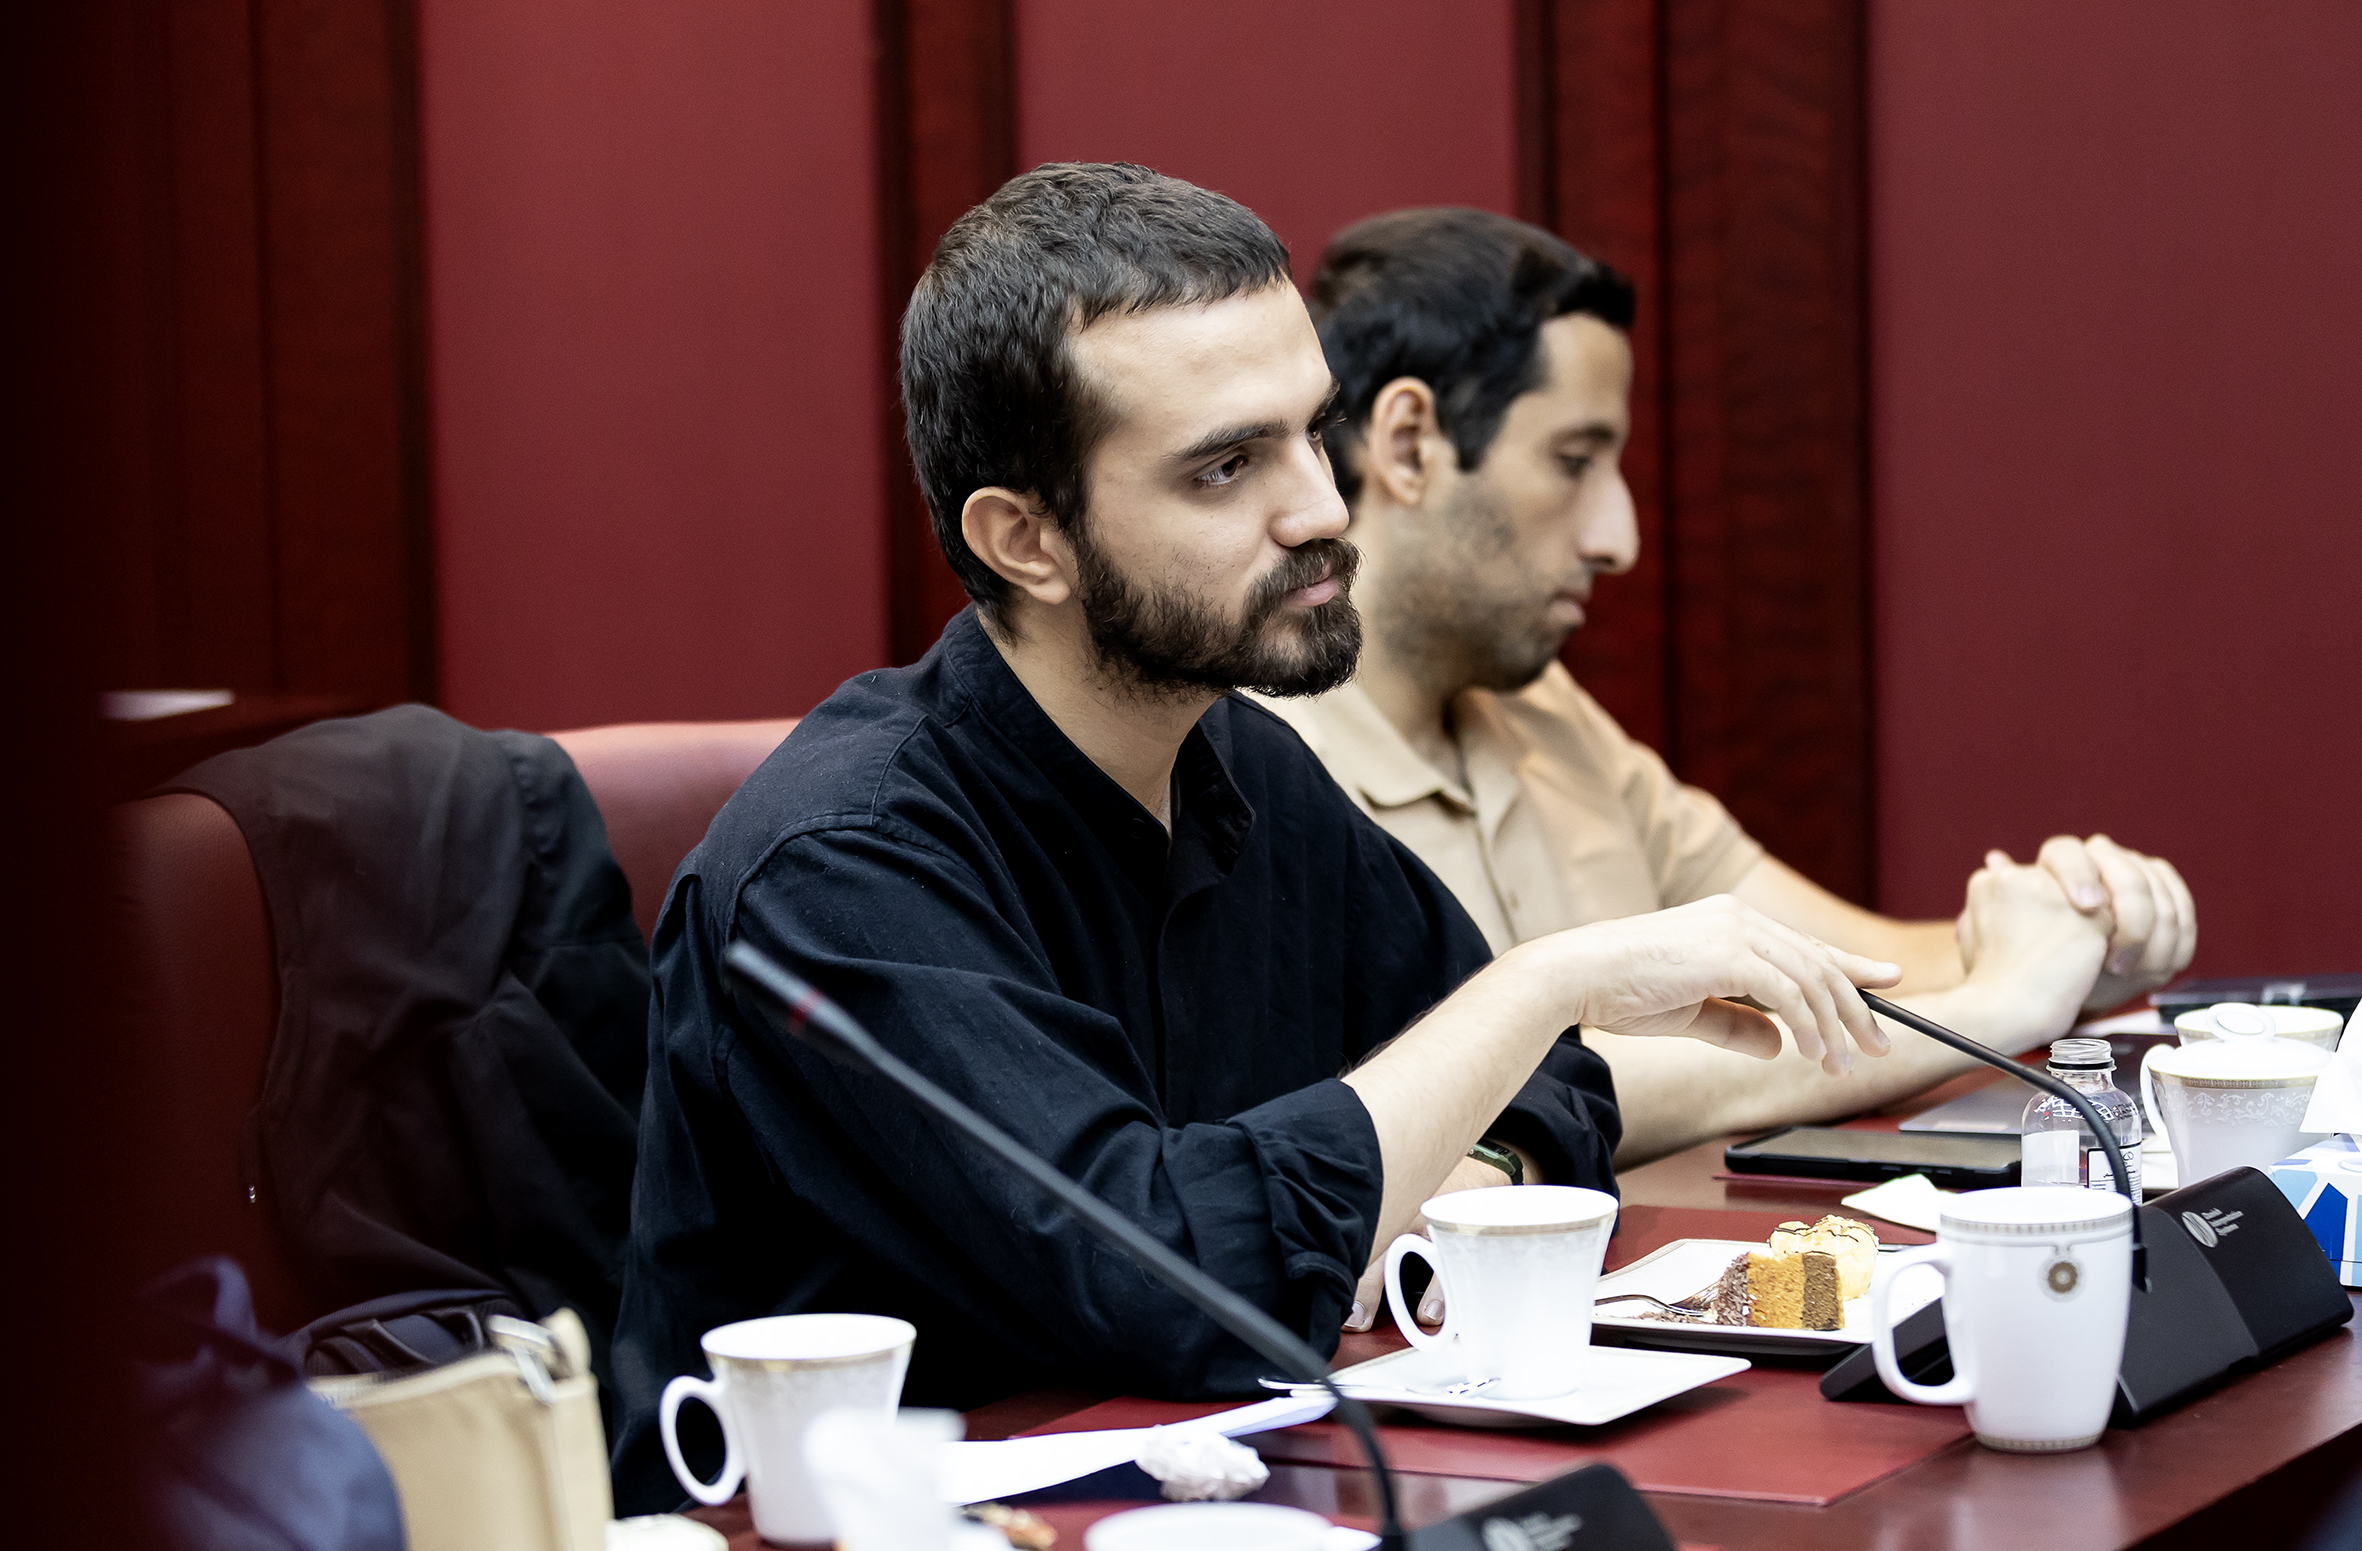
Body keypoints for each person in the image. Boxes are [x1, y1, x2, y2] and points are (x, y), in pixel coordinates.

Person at [609, 166, 1901, 1507]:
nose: (1323, 508)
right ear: (1025, 540)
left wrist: (1449, 1160)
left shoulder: (1234, 761)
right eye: (1226, 465)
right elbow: (1177, 1277)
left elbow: (1546, 1090)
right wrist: (1537, 982)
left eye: (1310, 433)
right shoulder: (842, 867)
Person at [1259, 207, 2195, 1200]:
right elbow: (1528, 1095)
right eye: (1573, 461)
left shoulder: (1542, 709)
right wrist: (2001, 1005)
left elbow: (1840, 966)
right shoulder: (1245, 764)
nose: (1616, 537)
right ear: (1409, 445)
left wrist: (2072, 936)